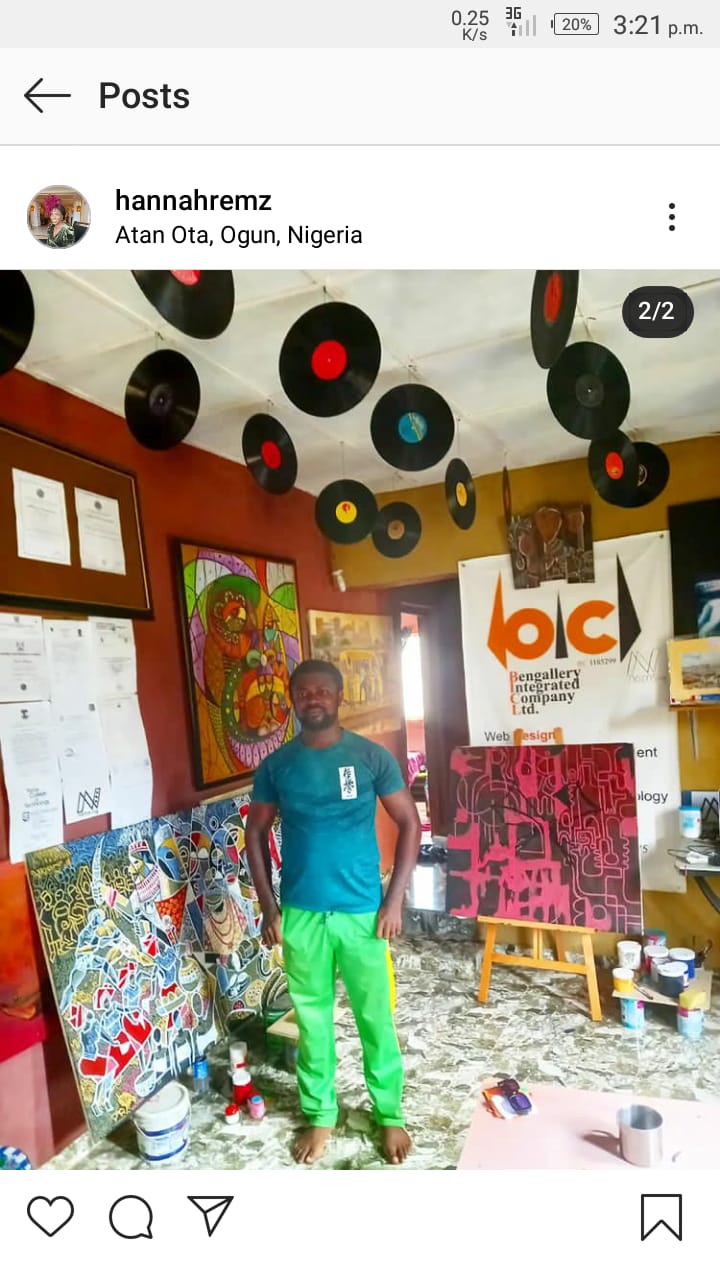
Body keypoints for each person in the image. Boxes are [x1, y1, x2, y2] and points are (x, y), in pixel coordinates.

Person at [246, 658, 421, 1166]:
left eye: (323, 690)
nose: (314, 698)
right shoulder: (278, 765)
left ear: (339, 697)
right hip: (301, 913)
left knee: (375, 1017)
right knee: (313, 1020)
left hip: (363, 913)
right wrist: (269, 907)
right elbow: (255, 833)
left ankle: (389, 1114)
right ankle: (320, 1113)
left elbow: (410, 823)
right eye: (304, 692)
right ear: (293, 700)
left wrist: (394, 900)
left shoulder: (369, 756)